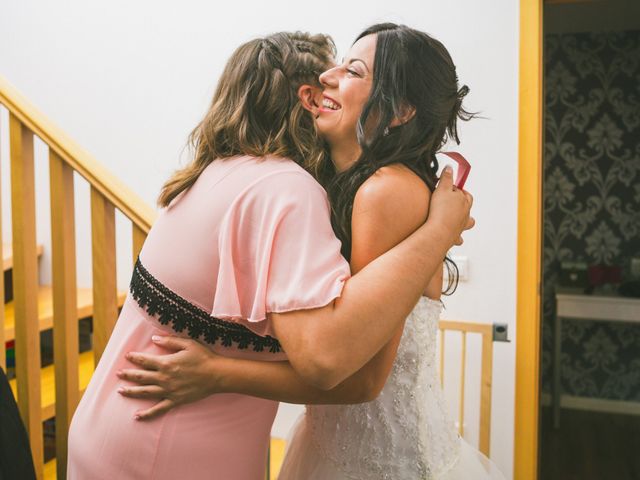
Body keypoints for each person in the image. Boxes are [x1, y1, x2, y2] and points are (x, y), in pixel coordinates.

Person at [66, 30, 472, 480]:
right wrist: (439, 230)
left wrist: (218, 371)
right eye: (331, 68)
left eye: (352, 70)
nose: (326, 78)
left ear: (400, 110)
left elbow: (352, 373)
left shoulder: (376, 190)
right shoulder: (304, 189)